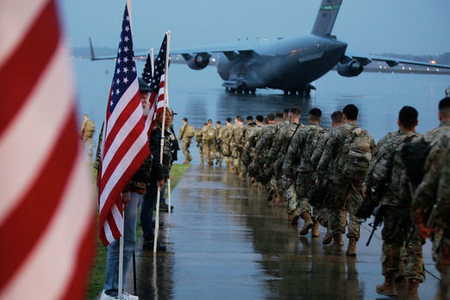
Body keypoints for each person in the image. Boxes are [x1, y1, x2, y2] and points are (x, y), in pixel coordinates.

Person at [99, 78, 151, 300]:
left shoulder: (138, 121)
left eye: (147, 95)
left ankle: (118, 288)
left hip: (137, 190)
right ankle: (111, 291)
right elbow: (119, 159)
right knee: (119, 241)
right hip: (125, 191)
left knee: (127, 241)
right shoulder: (124, 120)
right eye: (142, 94)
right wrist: (125, 189)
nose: (146, 98)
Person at [364, 106, 423, 298]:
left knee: (391, 243)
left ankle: (389, 283)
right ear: (417, 123)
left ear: (398, 122)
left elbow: (377, 173)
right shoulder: (426, 143)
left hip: (393, 203)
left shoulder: (389, 141)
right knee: (414, 245)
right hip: (416, 204)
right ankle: (413, 288)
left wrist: (372, 189)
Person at [317, 104, 375, 256]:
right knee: (355, 211)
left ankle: (337, 242)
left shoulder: (336, 132)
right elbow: (374, 157)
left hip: (338, 177)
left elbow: (326, 156)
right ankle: (353, 245)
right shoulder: (366, 134)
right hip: (358, 179)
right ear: (356, 117)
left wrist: (320, 176)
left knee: (335, 209)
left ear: (344, 116)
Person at [412, 97, 450, 299]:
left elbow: (425, 181)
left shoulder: (430, 139)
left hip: (442, 215)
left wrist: (419, 218)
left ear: (439, 115)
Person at [141, 107, 177, 252]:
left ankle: (149, 230)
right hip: (153, 176)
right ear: (157, 117)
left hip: (158, 174)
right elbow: (155, 158)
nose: (168, 117)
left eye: (169, 115)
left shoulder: (164, 132)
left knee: (150, 205)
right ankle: (149, 239)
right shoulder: (156, 133)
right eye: (164, 115)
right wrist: (160, 177)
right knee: (148, 205)